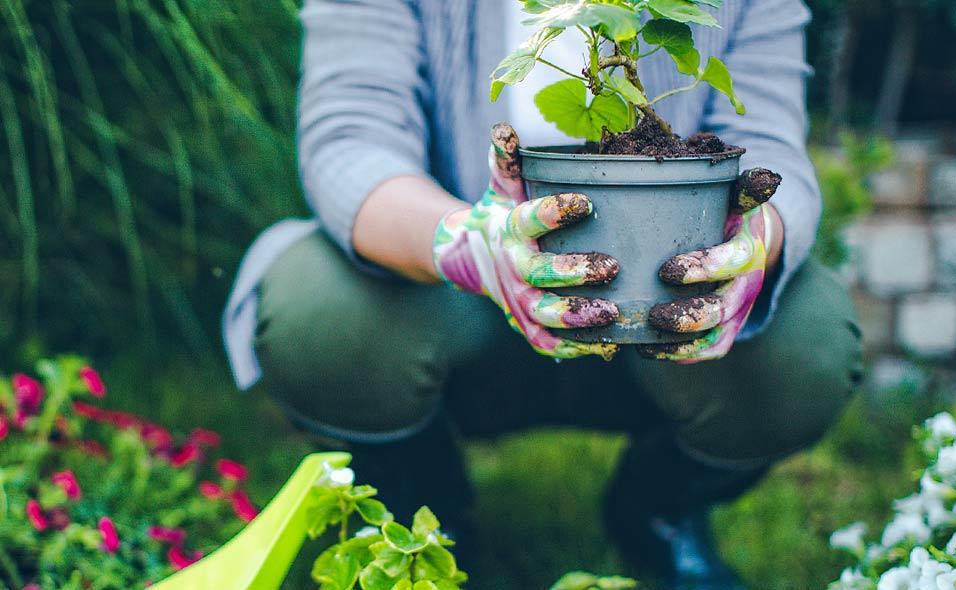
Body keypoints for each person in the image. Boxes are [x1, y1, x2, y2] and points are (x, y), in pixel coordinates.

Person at [223, 1, 863, 587]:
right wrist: (467, 245)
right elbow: (351, 142)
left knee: (805, 341)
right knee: (317, 310)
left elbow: (770, 139)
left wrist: (755, 238)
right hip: (445, 301)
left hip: (663, 302)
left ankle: (659, 509)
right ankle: (426, 509)